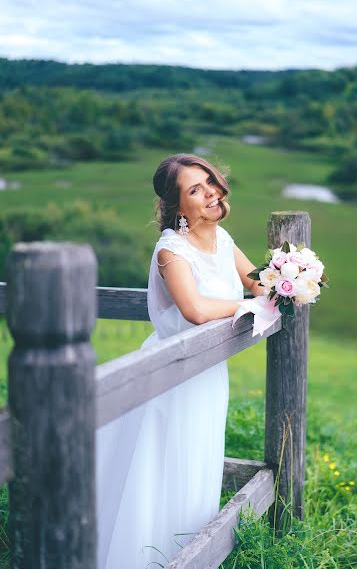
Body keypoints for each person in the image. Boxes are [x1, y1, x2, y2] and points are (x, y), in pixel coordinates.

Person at [96, 153, 266, 568]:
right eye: (195, 189)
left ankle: (192, 555)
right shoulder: (170, 250)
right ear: (177, 207)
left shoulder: (222, 239)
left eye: (209, 181)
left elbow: (259, 282)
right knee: (161, 468)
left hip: (208, 374)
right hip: (170, 374)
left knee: (198, 461)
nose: (209, 192)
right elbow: (196, 310)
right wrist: (248, 303)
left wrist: (291, 277)